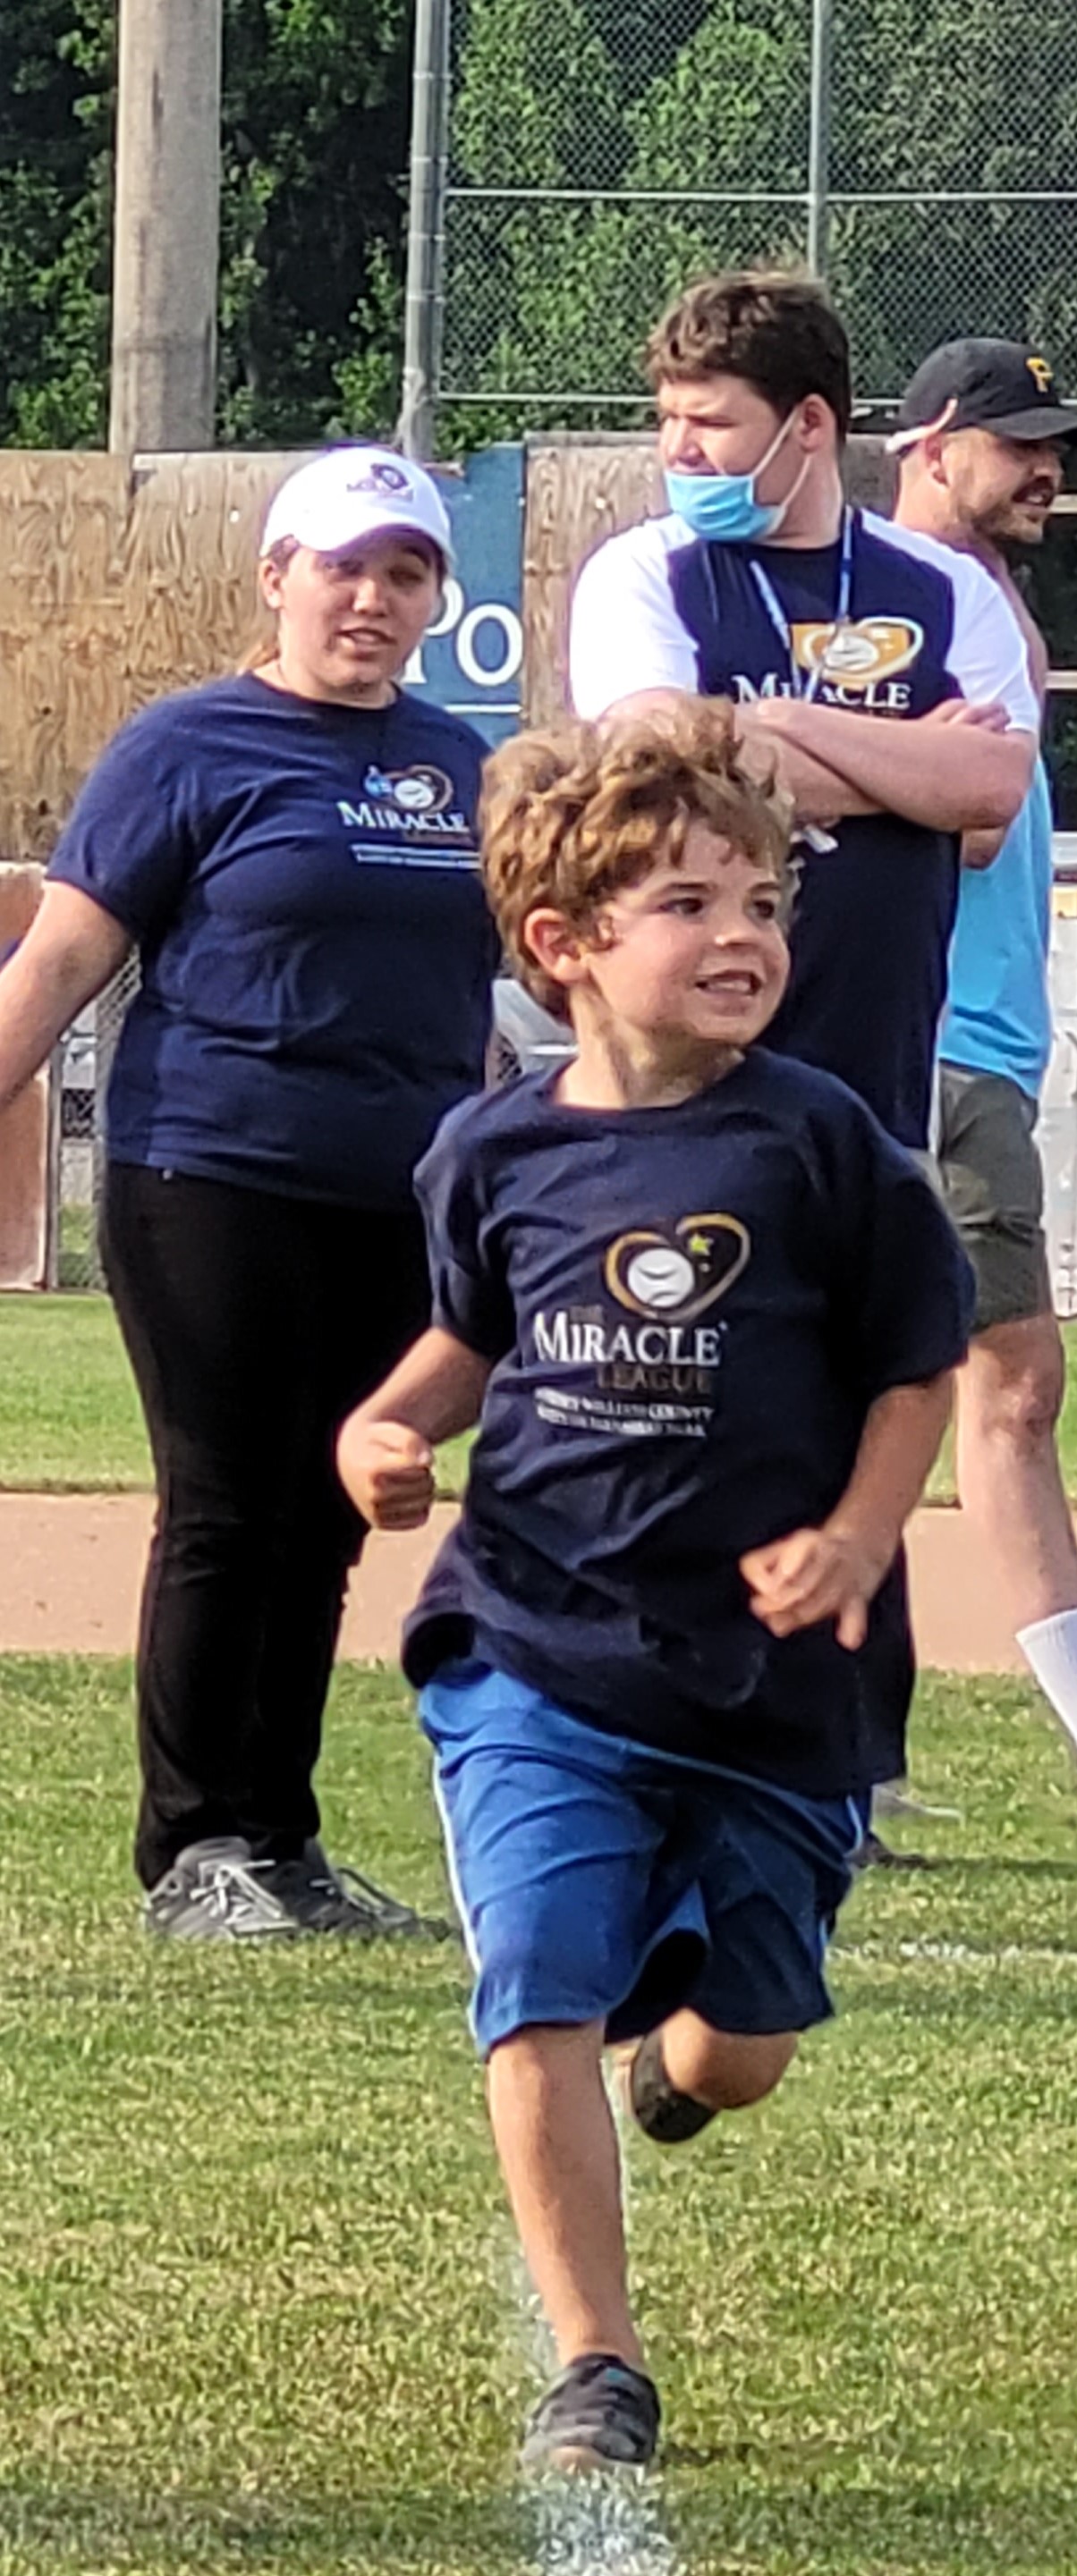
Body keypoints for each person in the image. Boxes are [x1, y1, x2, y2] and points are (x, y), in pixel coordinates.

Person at [336, 706, 972, 2470]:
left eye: (761, 897)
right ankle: (596, 2364)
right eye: (688, 901)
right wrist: (383, 1432)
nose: (745, 932)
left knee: (747, 2044)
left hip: (774, 1674)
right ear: (565, 946)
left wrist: (856, 1534)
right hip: (533, 1642)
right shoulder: (496, 1150)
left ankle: (680, 2063)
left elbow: (918, 1361)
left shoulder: (824, 1142)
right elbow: (469, 1341)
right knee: (535, 1978)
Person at [0, 446, 500, 1939]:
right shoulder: (189, 746)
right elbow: (64, 962)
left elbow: (483, 993)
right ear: (277, 576)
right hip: (209, 1171)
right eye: (342, 565)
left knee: (329, 1513)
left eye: (403, 569)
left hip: (397, 1190)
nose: (370, 595)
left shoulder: (458, 762)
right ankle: (194, 1845)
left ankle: (278, 1841)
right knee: (226, 1505)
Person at [566, 272, 1036, 1855]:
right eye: (671, 421)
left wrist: (772, 726)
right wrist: (865, 754)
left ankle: (849, 1753)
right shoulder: (645, 570)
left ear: (811, 427)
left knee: (862, 1405)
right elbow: (660, 755)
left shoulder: (934, 579)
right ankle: (663, 1727)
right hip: (676, 1086)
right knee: (679, 1390)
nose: (680, 450)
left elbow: (986, 787)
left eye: (713, 425)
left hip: (867, 1076)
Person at [890, 337, 1077, 1844]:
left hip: (972, 1042)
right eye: (1014, 446)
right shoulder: (905, 598)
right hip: (934, 1045)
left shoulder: (969, 602)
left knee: (908, 1387)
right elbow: (960, 828)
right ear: (926, 444)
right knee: (1008, 1385)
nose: (1044, 473)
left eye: (1053, 448)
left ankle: (848, 1752)